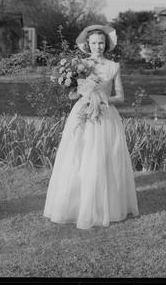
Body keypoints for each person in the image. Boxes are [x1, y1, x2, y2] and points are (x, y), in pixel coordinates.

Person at [43, 25, 139, 229]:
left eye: (101, 43)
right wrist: (75, 88)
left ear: (107, 45)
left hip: (105, 114)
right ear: (88, 45)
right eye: (94, 43)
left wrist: (103, 98)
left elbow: (120, 96)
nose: (98, 46)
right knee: (79, 156)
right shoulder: (79, 64)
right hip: (83, 113)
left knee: (104, 157)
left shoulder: (113, 66)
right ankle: (76, 203)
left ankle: (105, 204)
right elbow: (73, 94)